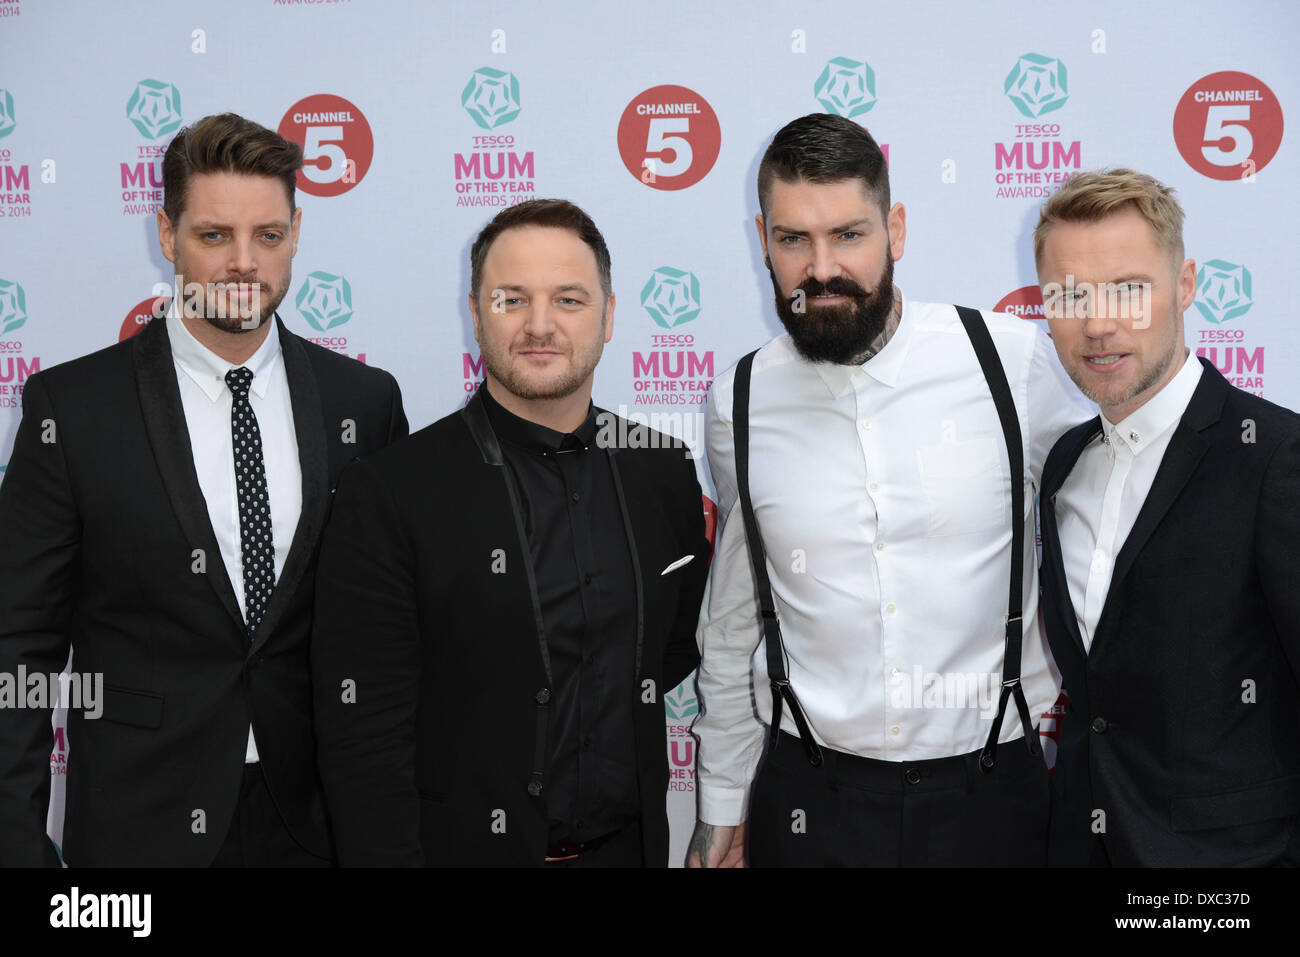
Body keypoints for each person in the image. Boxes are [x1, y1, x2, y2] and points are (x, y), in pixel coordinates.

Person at [0, 112, 408, 867]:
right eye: (214, 236)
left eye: (269, 236)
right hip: (137, 825)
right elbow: (17, 643)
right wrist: (18, 845)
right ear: (167, 234)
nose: (244, 263)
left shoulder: (365, 402)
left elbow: (393, 633)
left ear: (296, 232)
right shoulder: (74, 409)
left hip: (321, 823)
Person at [688, 113, 1092, 868]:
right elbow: (736, 614)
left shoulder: (1011, 362)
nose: (820, 269)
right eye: (792, 239)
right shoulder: (737, 400)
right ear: (762, 238)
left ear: (895, 229)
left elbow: (1109, 528)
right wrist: (719, 803)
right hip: (808, 801)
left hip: (995, 793)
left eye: (848, 234)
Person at [311, 198, 710, 867]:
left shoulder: (660, 468)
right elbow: (361, 732)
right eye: (512, 299)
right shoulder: (391, 489)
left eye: (570, 300)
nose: (540, 325)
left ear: (609, 316)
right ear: (476, 314)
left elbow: (673, 644)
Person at [1033, 168, 1300, 867]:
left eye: (1128, 288)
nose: (1097, 322)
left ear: (1184, 287)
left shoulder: (1275, 457)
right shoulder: (1063, 464)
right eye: (1069, 294)